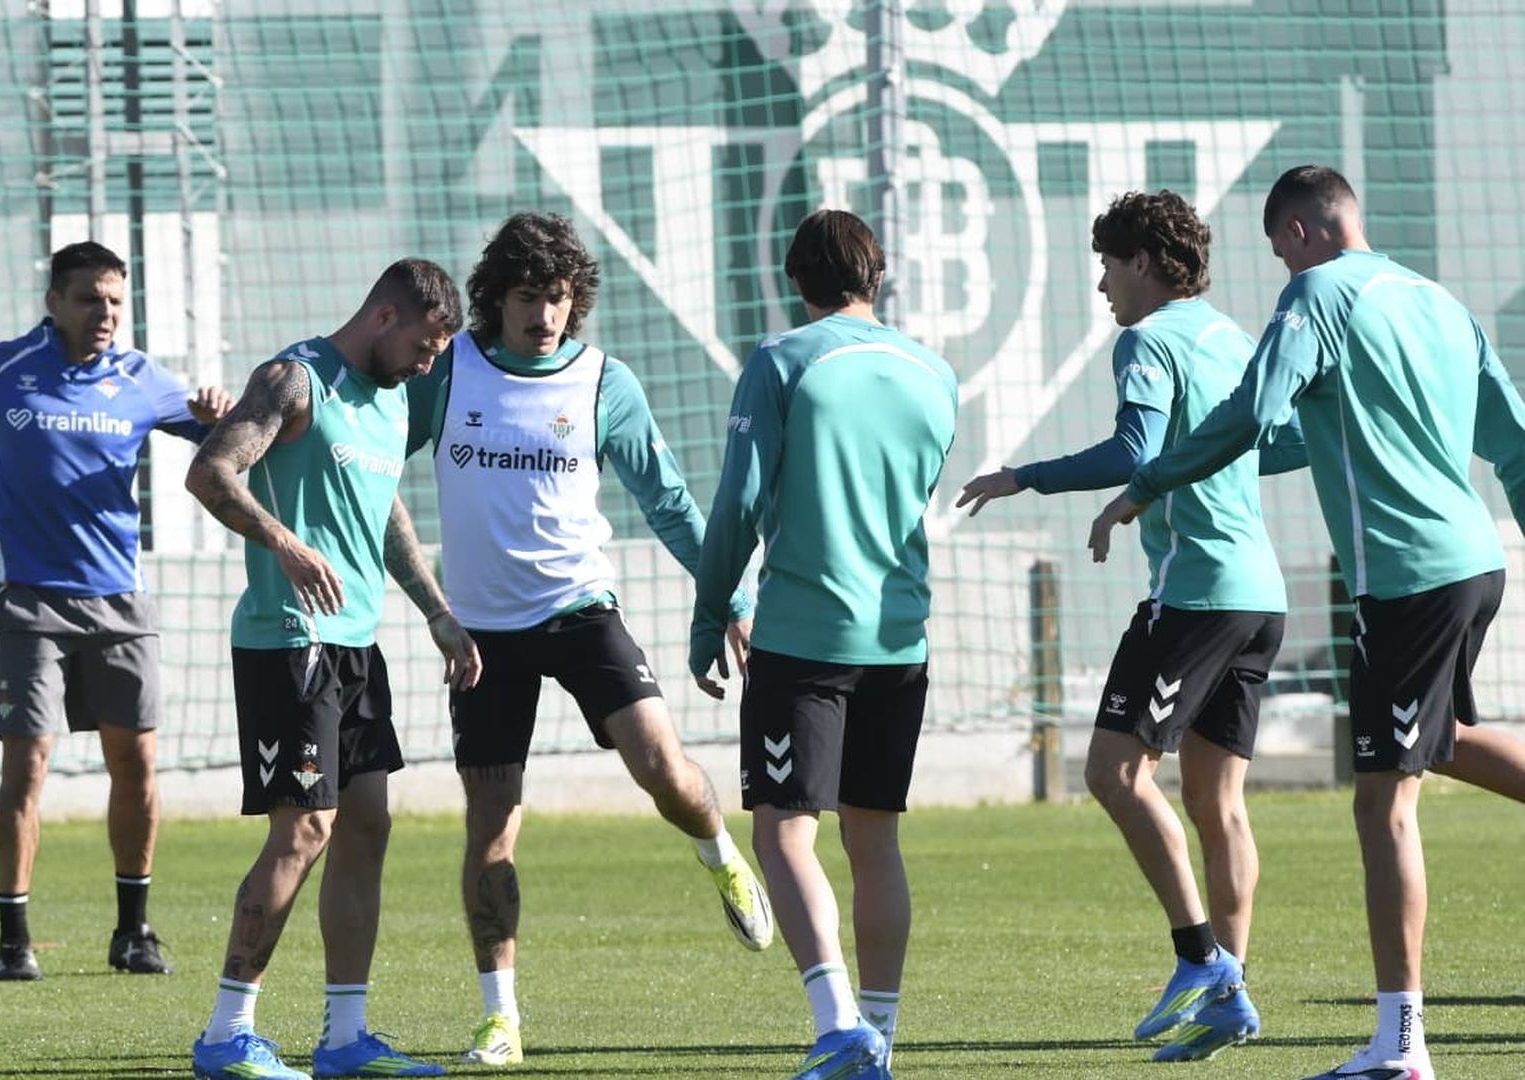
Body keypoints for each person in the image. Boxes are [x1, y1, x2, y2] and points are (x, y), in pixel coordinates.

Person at [1090, 165, 1525, 1080]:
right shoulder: (1438, 302)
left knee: (1383, 805)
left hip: (1404, 581)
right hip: (1474, 563)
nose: (1280, 267)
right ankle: (1390, 1040)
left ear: (1298, 233)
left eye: (1277, 248)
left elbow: (1255, 412)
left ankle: (1400, 1048)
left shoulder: (1315, 296)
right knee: (1441, 743)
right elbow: (1513, 439)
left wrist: (1151, 483)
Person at [405, 211, 773, 1067]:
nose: (544, 316)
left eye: (560, 298)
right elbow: (372, 458)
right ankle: (501, 1018)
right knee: (490, 826)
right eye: (528, 297)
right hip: (484, 634)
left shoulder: (606, 382)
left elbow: (672, 502)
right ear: (493, 299)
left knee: (664, 770)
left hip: (580, 611)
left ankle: (720, 854)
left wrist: (730, 598)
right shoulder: (448, 371)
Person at [957, 190, 1299, 1062]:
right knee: (1217, 805)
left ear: (1144, 261)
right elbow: (1274, 442)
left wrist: (1023, 477)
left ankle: (1200, 961)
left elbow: (1135, 452)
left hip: (1195, 593)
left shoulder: (1146, 341)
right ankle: (1231, 994)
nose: (1104, 283)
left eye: (1109, 263)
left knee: (1112, 771)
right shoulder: (1229, 336)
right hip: (1259, 595)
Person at [0, 240, 231, 981]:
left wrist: (213, 416)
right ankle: (14, 941)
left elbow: (225, 442)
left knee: (135, 766)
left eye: (114, 301)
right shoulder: (2, 370)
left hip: (121, 606)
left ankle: (133, 933)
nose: (104, 314)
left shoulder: (141, 380)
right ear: (54, 302)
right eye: (89, 299)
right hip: (29, 605)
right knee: (27, 768)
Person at [184, 258, 480, 1080]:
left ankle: (345, 1039)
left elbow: (383, 513)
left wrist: (437, 611)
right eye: (423, 346)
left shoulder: (389, 403)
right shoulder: (295, 379)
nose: (428, 365)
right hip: (289, 638)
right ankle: (225, 1034)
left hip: (356, 643)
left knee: (367, 827)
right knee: (304, 830)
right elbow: (209, 471)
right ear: (384, 317)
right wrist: (284, 542)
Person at [691, 208, 956, 1080]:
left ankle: (839, 1025)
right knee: (874, 839)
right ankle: (877, 1039)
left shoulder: (782, 362)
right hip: (900, 636)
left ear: (796, 282)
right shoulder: (935, 373)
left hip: (806, 636)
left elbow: (734, 506)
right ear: (876, 277)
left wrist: (708, 613)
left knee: (783, 835)